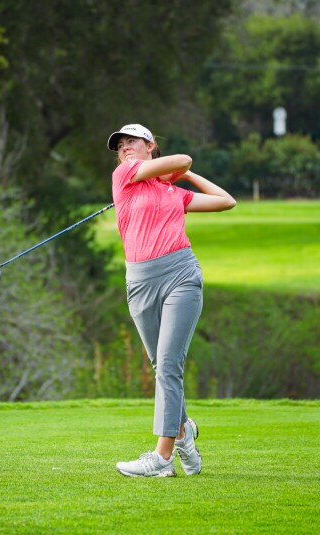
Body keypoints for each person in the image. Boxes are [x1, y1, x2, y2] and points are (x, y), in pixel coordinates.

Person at [107, 124, 236, 478]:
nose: (124, 149)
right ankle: (184, 433)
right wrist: (171, 171)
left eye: (131, 142)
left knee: (168, 364)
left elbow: (226, 200)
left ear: (150, 145)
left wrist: (185, 175)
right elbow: (175, 161)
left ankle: (162, 458)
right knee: (161, 365)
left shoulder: (173, 193)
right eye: (119, 146)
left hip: (181, 274)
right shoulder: (124, 176)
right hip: (140, 283)